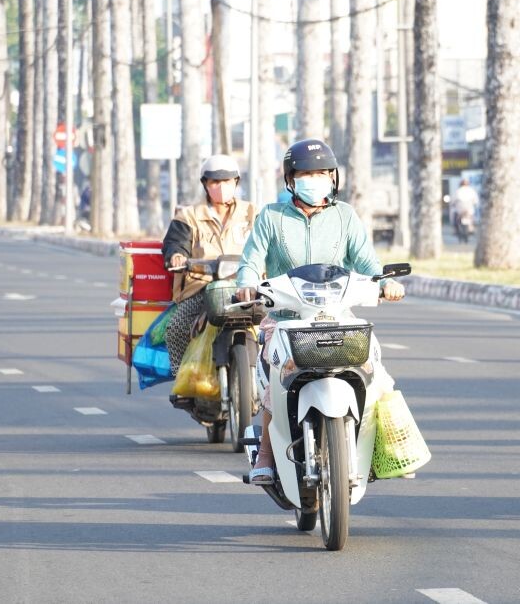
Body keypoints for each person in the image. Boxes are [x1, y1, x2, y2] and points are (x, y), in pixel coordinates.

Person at [234, 138, 405, 485]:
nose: (316, 180)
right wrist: (247, 284)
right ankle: (266, 454)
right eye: (306, 174)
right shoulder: (272, 217)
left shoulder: (345, 216)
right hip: (286, 321)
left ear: (333, 178)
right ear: (291, 179)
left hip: (337, 318)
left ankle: (383, 448)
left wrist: (385, 283)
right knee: (277, 375)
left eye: (323, 173)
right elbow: (251, 260)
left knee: (376, 371)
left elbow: (367, 263)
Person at [161, 155, 257, 377]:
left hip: (247, 287)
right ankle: (183, 378)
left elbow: (269, 244)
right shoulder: (188, 216)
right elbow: (175, 244)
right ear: (205, 184)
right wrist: (177, 256)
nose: (221, 187)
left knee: (274, 329)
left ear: (236, 182)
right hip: (202, 288)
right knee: (176, 329)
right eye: (215, 181)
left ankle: (267, 382)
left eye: (227, 181)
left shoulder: (253, 213)